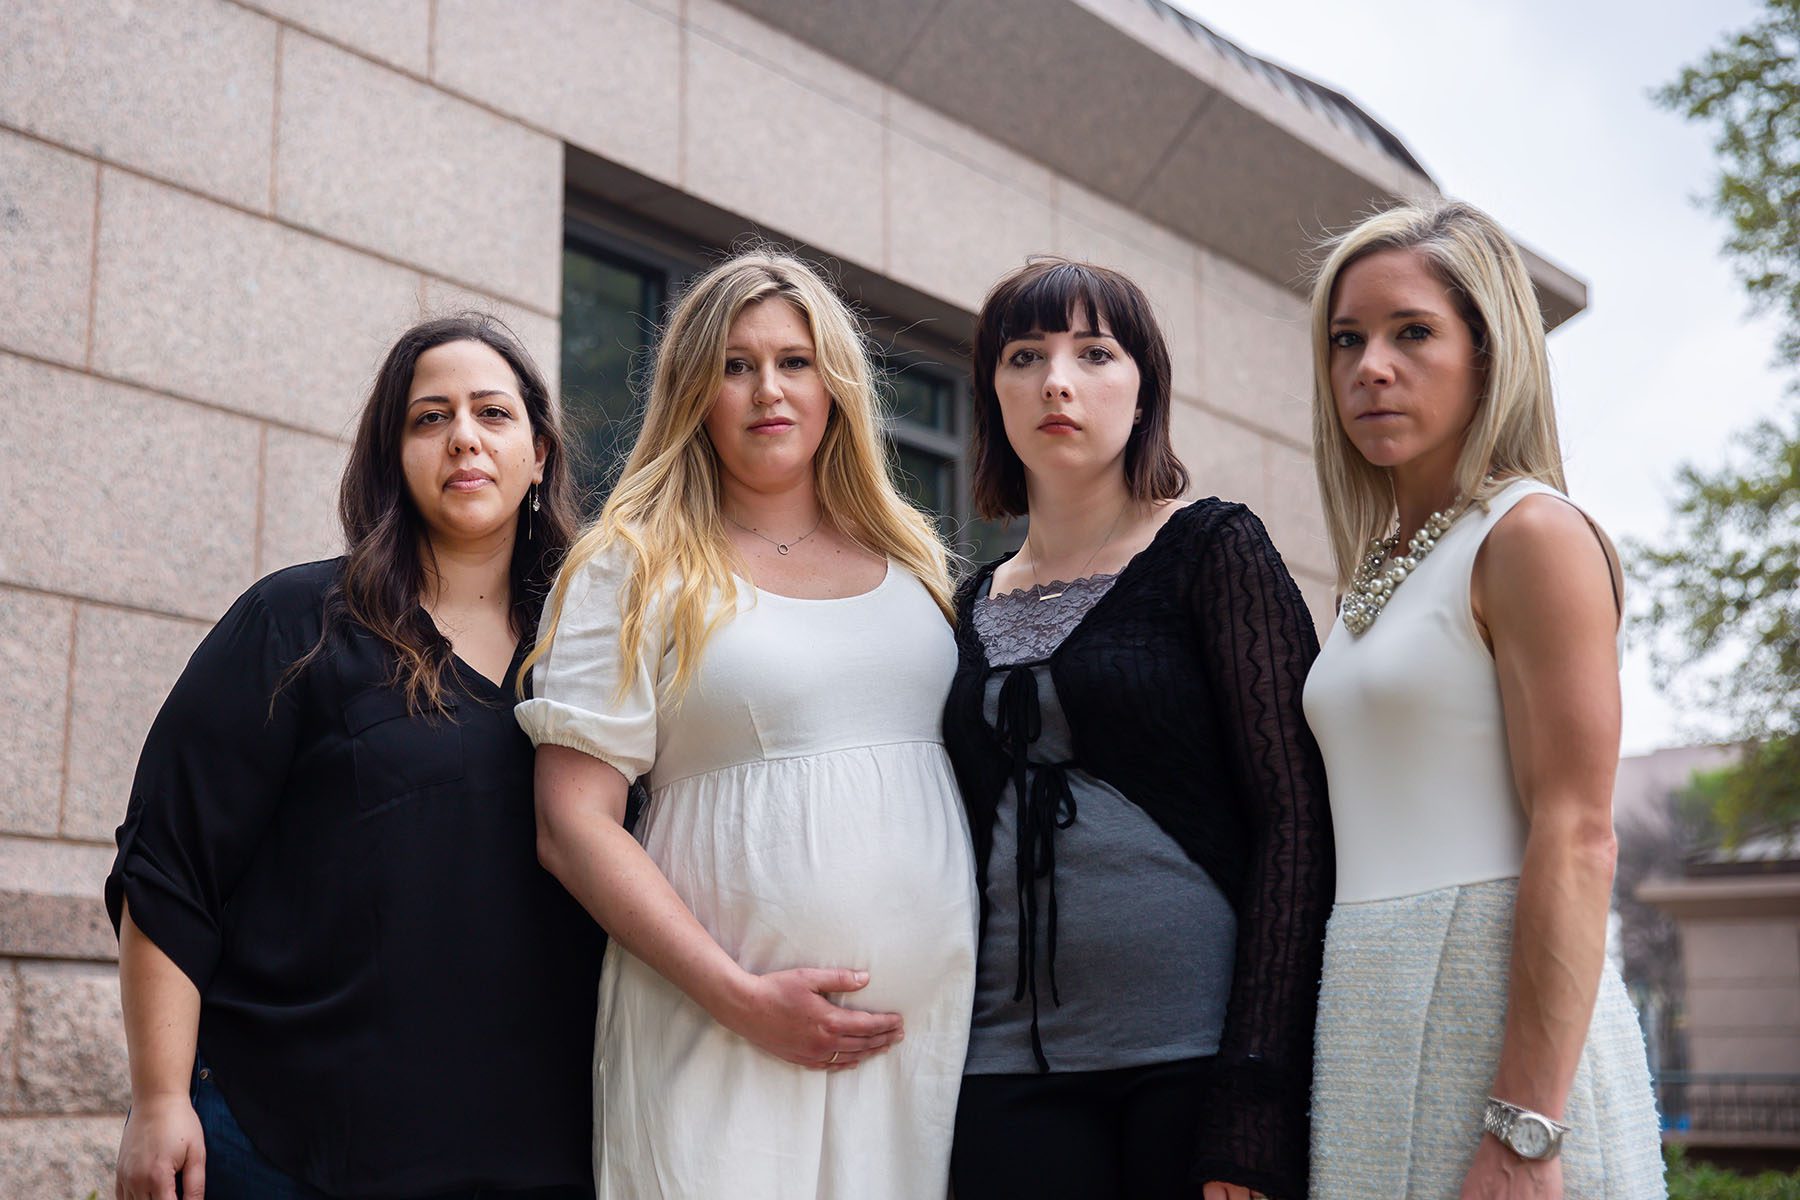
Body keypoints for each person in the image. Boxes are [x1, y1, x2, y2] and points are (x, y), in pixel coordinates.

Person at [107, 315, 603, 1200]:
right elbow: (170, 864)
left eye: (493, 413)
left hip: (537, 1156)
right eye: (429, 417)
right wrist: (158, 1098)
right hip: (287, 1151)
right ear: (393, 457)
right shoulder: (297, 623)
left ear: (540, 456)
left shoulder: (595, 657)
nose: (463, 438)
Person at [518, 248, 976, 1199]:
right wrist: (744, 1000)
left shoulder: (915, 563)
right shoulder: (630, 564)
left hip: (918, 1048)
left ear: (836, 384)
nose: (769, 389)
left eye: (795, 361)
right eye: (735, 365)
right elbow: (572, 826)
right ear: (695, 390)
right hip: (717, 1026)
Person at [938, 258, 1334, 1200]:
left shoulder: (1213, 549)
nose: (1056, 382)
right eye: (1024, 356)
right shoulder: (962, 603)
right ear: (993, 392)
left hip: (1193, 1062)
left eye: (1094, 353)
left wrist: (1254, 1095)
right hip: (1002, 1066)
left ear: (1144, 385)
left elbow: (1297, 822)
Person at [1301, 201, 1664, 1198]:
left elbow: (1580, 832)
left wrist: (1528, 1130)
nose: (1370, 365)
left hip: (1494, 1016)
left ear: (1489, 352)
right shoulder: (1376, 569)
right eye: (1347, 340)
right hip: (1369, 1006)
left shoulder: (1533, 535)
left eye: (1411, 332)